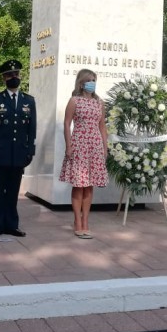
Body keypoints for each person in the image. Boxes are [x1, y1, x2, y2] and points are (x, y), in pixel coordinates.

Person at [0, 59, 36, 239]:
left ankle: (12, 225)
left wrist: (30, 150)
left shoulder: (29, 100)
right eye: (10, 75)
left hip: (18, 153)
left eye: (16, 74)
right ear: (4, 78)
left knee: (13, 191)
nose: (14, 77)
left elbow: (32, 129)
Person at [59, 69, 108, 239]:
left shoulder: (100, 103)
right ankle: (77, 222)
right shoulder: (74, 100)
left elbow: (102, 127)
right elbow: (67, 123)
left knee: (89, 185)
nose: (92, 82)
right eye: (89, 80)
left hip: (94, 146)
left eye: (94, 79)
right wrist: (69, 145)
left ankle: (86, 221)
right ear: (81, 82)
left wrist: (105, 147)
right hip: (79, 144)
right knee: (79, 185)